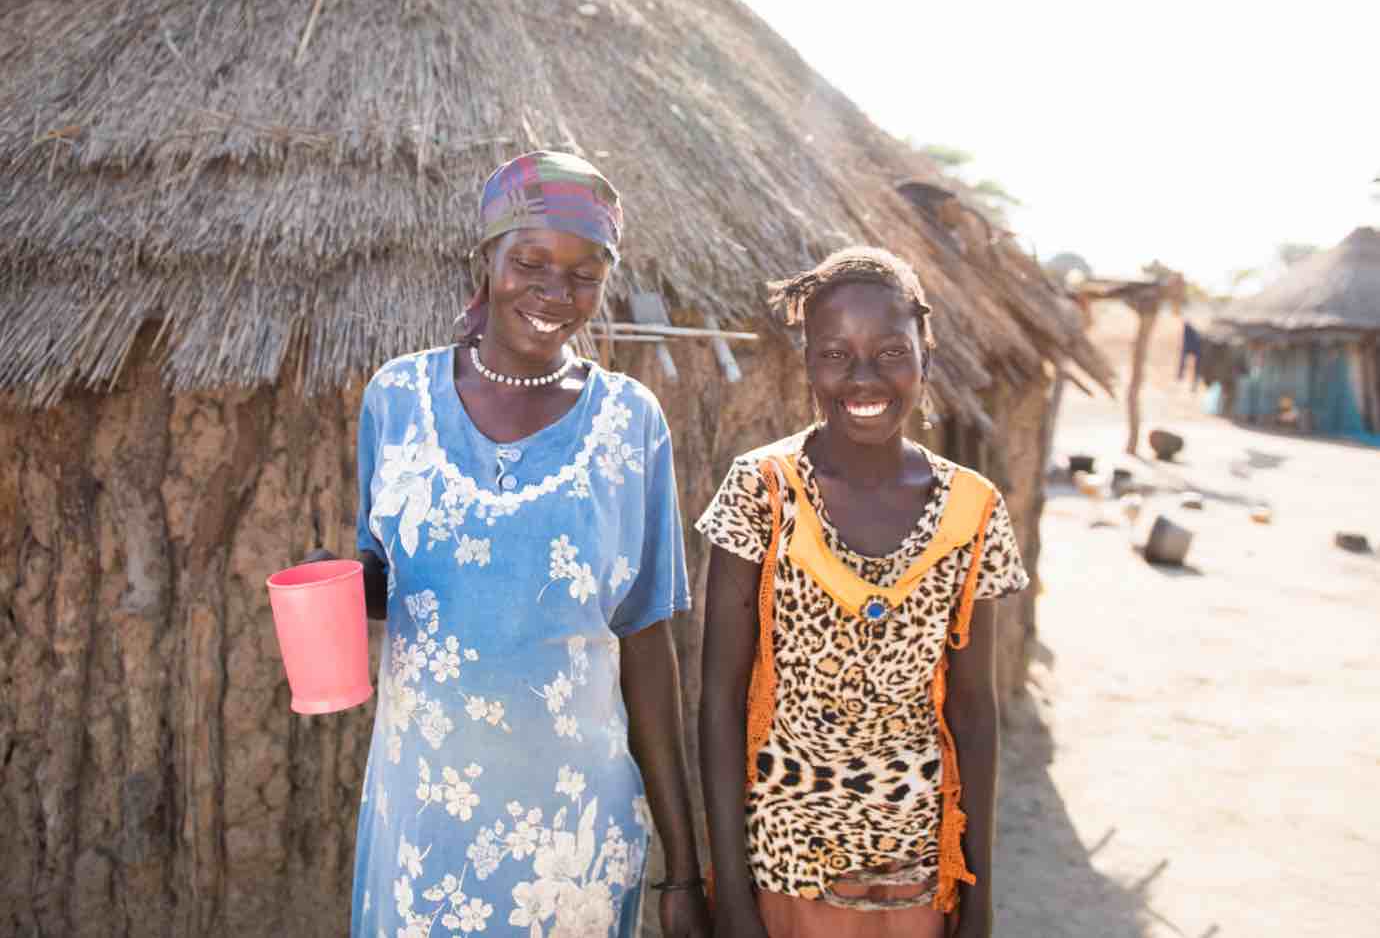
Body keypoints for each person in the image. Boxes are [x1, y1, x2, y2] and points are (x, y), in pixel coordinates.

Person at [309, 151, 710, 938]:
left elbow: (647, 638)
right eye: (530, 262)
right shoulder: (397, 399)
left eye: (585, 274)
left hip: (572, 836)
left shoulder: (630, 424)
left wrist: (683, 872)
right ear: (485, 261)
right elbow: (391, 576)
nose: (557, 293)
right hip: (426, 822)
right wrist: (342, 589)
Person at [696, 247, 1028, 938]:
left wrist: (980, 891)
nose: (864, 377)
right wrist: (729, 891)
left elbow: (974, 711)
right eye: (835, 355)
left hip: (914, 872)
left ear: (925, 357)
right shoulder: (763, 489)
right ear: (808, 364)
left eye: (889, 352)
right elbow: (721, 701)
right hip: (781, 864)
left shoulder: (973, 509)